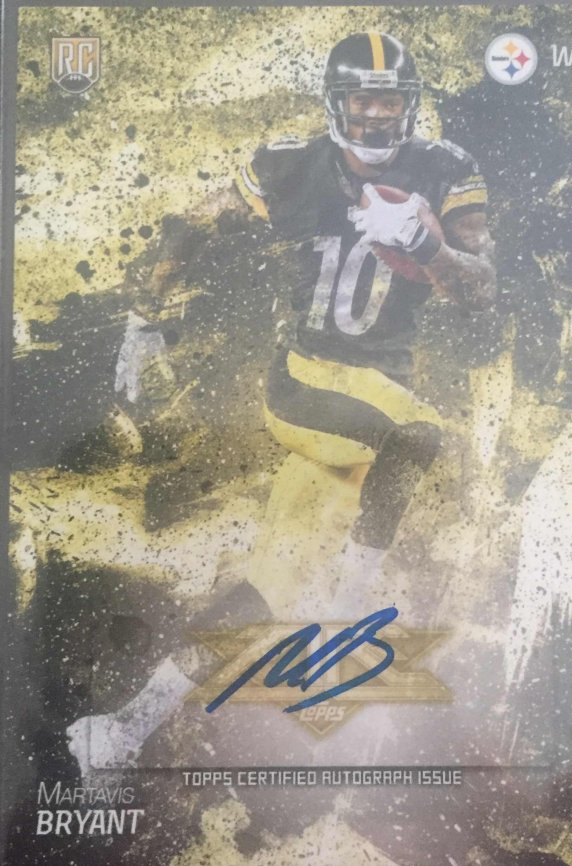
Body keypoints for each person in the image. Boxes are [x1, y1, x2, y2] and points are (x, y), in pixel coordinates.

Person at [67, 31, 496, 777]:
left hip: (370, 403)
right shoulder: (290, 165)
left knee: (268, 590)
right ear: (336, 102)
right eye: (362, 99)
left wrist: (428, 249)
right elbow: (195, 222)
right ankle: (351, 612)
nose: (376, 114)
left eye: (389, 100)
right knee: (420, 435)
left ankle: (121, 729)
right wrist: (144, 316)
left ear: (410, 104)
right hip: (307, 382)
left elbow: (481, 290)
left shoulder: (445, 168)